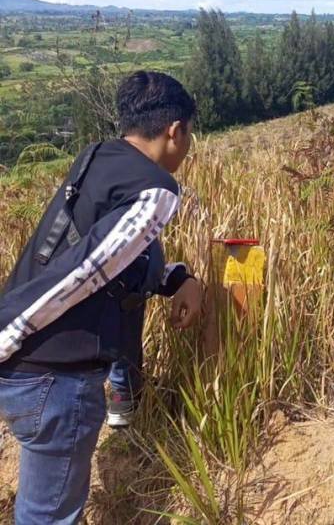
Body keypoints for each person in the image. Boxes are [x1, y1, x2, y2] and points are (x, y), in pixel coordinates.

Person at [0, 70, 202, 524]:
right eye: (189, 135)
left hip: (27, 371)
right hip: (52, 376)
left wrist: (179, 279)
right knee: (47, 516)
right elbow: (80, 274)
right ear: (176, 131)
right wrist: (6, 337)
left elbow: (113, 263)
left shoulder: (97, 158)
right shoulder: (155, 190)